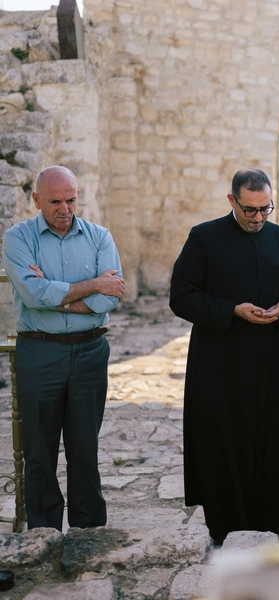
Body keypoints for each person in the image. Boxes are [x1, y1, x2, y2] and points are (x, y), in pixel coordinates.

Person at [169, 169, 279, 544]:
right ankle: (228, 525)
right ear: (232, 201)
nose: (257, 218)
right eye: (250, 210)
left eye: (264, 210)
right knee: (224, 437)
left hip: (271, 355)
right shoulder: (204, 237)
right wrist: (231, 310)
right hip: (219, 359)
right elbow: (181, 297)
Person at [3, 165, 125, 530]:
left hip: (90, 352)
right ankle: (43, 534)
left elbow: (111, 298)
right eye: (55, 201)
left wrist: (56, 295)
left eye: (71, 200)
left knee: (85, 450)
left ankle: (88, 532)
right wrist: (92, 285)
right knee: (39, 453)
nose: (65, 209)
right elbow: (32, 292)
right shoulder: (18, 238)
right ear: (36, 199)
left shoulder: (100, 237)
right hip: (39, 353)